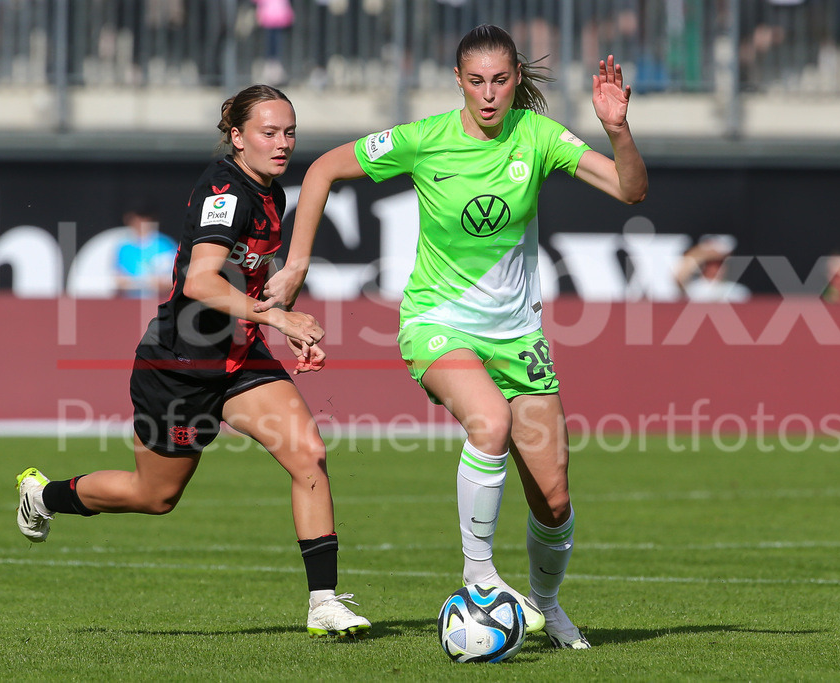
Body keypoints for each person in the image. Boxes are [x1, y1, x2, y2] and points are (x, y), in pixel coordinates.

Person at [256, 24, 648, 649]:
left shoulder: (539, 136)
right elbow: (326, 169)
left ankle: (545, 604)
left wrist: (617, 128)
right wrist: (296, 266)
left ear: (517, 80)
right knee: (488, 422)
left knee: (553, 500)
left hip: (519, 338)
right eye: (476, 81)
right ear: (458, 82)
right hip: (436, 323)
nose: (488, 95)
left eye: (499, 80)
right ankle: (481, 577)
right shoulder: (425, 138)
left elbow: (631, 190)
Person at [16, 84, 371, 639]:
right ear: (237, 137)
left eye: (290, 132)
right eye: (268, 133)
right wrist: (277, 320)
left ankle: (323, 602)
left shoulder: (271, 194)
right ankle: (43, 495)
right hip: (178, 367)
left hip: (240, 359)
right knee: (154, 496)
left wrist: (288, 318)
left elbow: (251, 278)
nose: (283, 144)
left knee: (309, 455)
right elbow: (200, 280)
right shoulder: (223, 192)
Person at [113, 201, 177, 299]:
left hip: (160, 301)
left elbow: (173, 280)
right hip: (131, 303)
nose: (140, 223)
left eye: (144, 219)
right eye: (136, 219)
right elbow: (119, 281)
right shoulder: (124, 247)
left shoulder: (165, 245)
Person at [675, 234, 752, 303]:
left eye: (721, 263)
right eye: (711, 263)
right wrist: (700, 253)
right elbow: (679, 279)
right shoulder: (693, 289)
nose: (717, 268)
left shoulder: (738, 291)